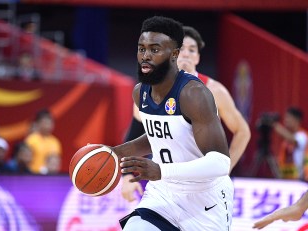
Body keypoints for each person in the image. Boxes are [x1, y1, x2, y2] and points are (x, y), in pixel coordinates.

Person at [112, 16, 234, 231]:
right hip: (163, 195)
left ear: (174, 54)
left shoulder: (194, 94)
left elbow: (220, 163)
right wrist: (114, 152)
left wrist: (161, 170)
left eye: (155, 49)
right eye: (142, 49)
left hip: (205, 200)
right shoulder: (140, 92)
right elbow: (157, 136)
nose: (146, 56)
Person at [121, 25, 251, 202]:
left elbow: (243, 131)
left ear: (198, 57)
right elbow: (136, 130)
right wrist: (127, 175)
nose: (187, 54)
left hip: (203, 186)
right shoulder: (151, 89)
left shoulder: (214, 90)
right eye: (182, 49)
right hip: (165, 184)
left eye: (192, 50)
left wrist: (225, 169)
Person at [272, 107, 308, 180]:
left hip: (299, 179)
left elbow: (293, 140)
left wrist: (274, 125)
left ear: (296, 120)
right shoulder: (286, 140)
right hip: (286, 178)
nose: (285, 120)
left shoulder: (302, 136)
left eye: (288, 118)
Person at [25, 109, 62, 174]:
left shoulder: (55, 142)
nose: (48, 125)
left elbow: (57, 162)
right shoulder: (31, 139)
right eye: (45, 122)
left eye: (50, 123)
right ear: (38, 123)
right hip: (33, 176)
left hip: (50, 177)